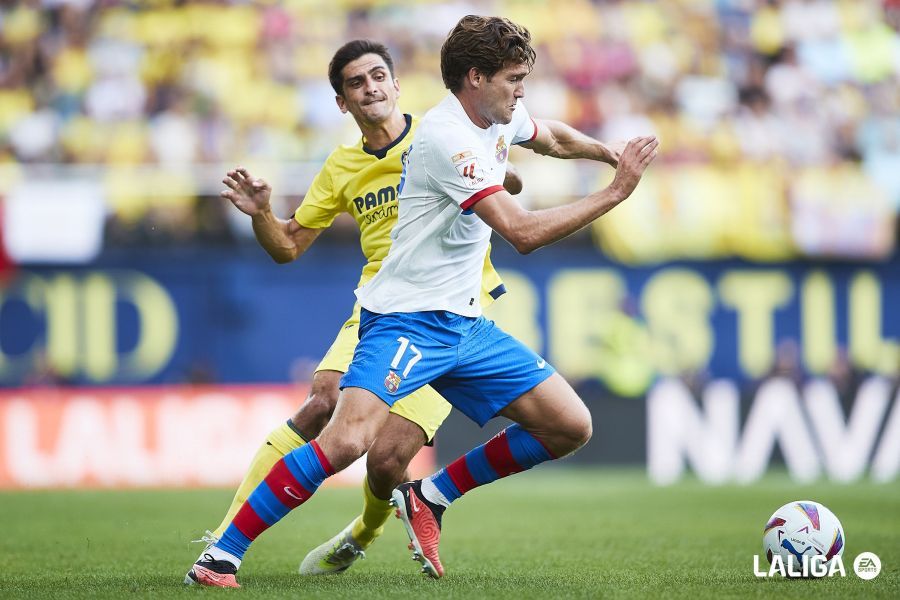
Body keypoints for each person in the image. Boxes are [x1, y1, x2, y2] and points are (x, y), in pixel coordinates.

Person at [186, 15, 654, 588]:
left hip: (465, 320)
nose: (521, 91)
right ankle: (221, 555)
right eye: (514, 79)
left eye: (379, 75)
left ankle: (431, 496)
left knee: (570, 425)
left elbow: (550, 136)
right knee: (346, 438)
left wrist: (608, 153)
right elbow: (522, 232)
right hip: (407, 318)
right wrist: (617, 190)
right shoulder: (446, 138)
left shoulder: (496, 114)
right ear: (476, 78)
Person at [186, 39, 524, 583]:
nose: (370, 88)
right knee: (323, 399)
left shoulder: (441, 134)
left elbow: (507, 179)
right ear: (343, 102)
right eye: (356, 83)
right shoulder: (342, 167)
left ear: (396, 84)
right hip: (383, 306)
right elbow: (288, 246)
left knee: (387, 461)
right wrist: (262, 214)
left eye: (378, 76)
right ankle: (224, 540)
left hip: (452, 314)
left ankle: (364, 531)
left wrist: (501, 175)